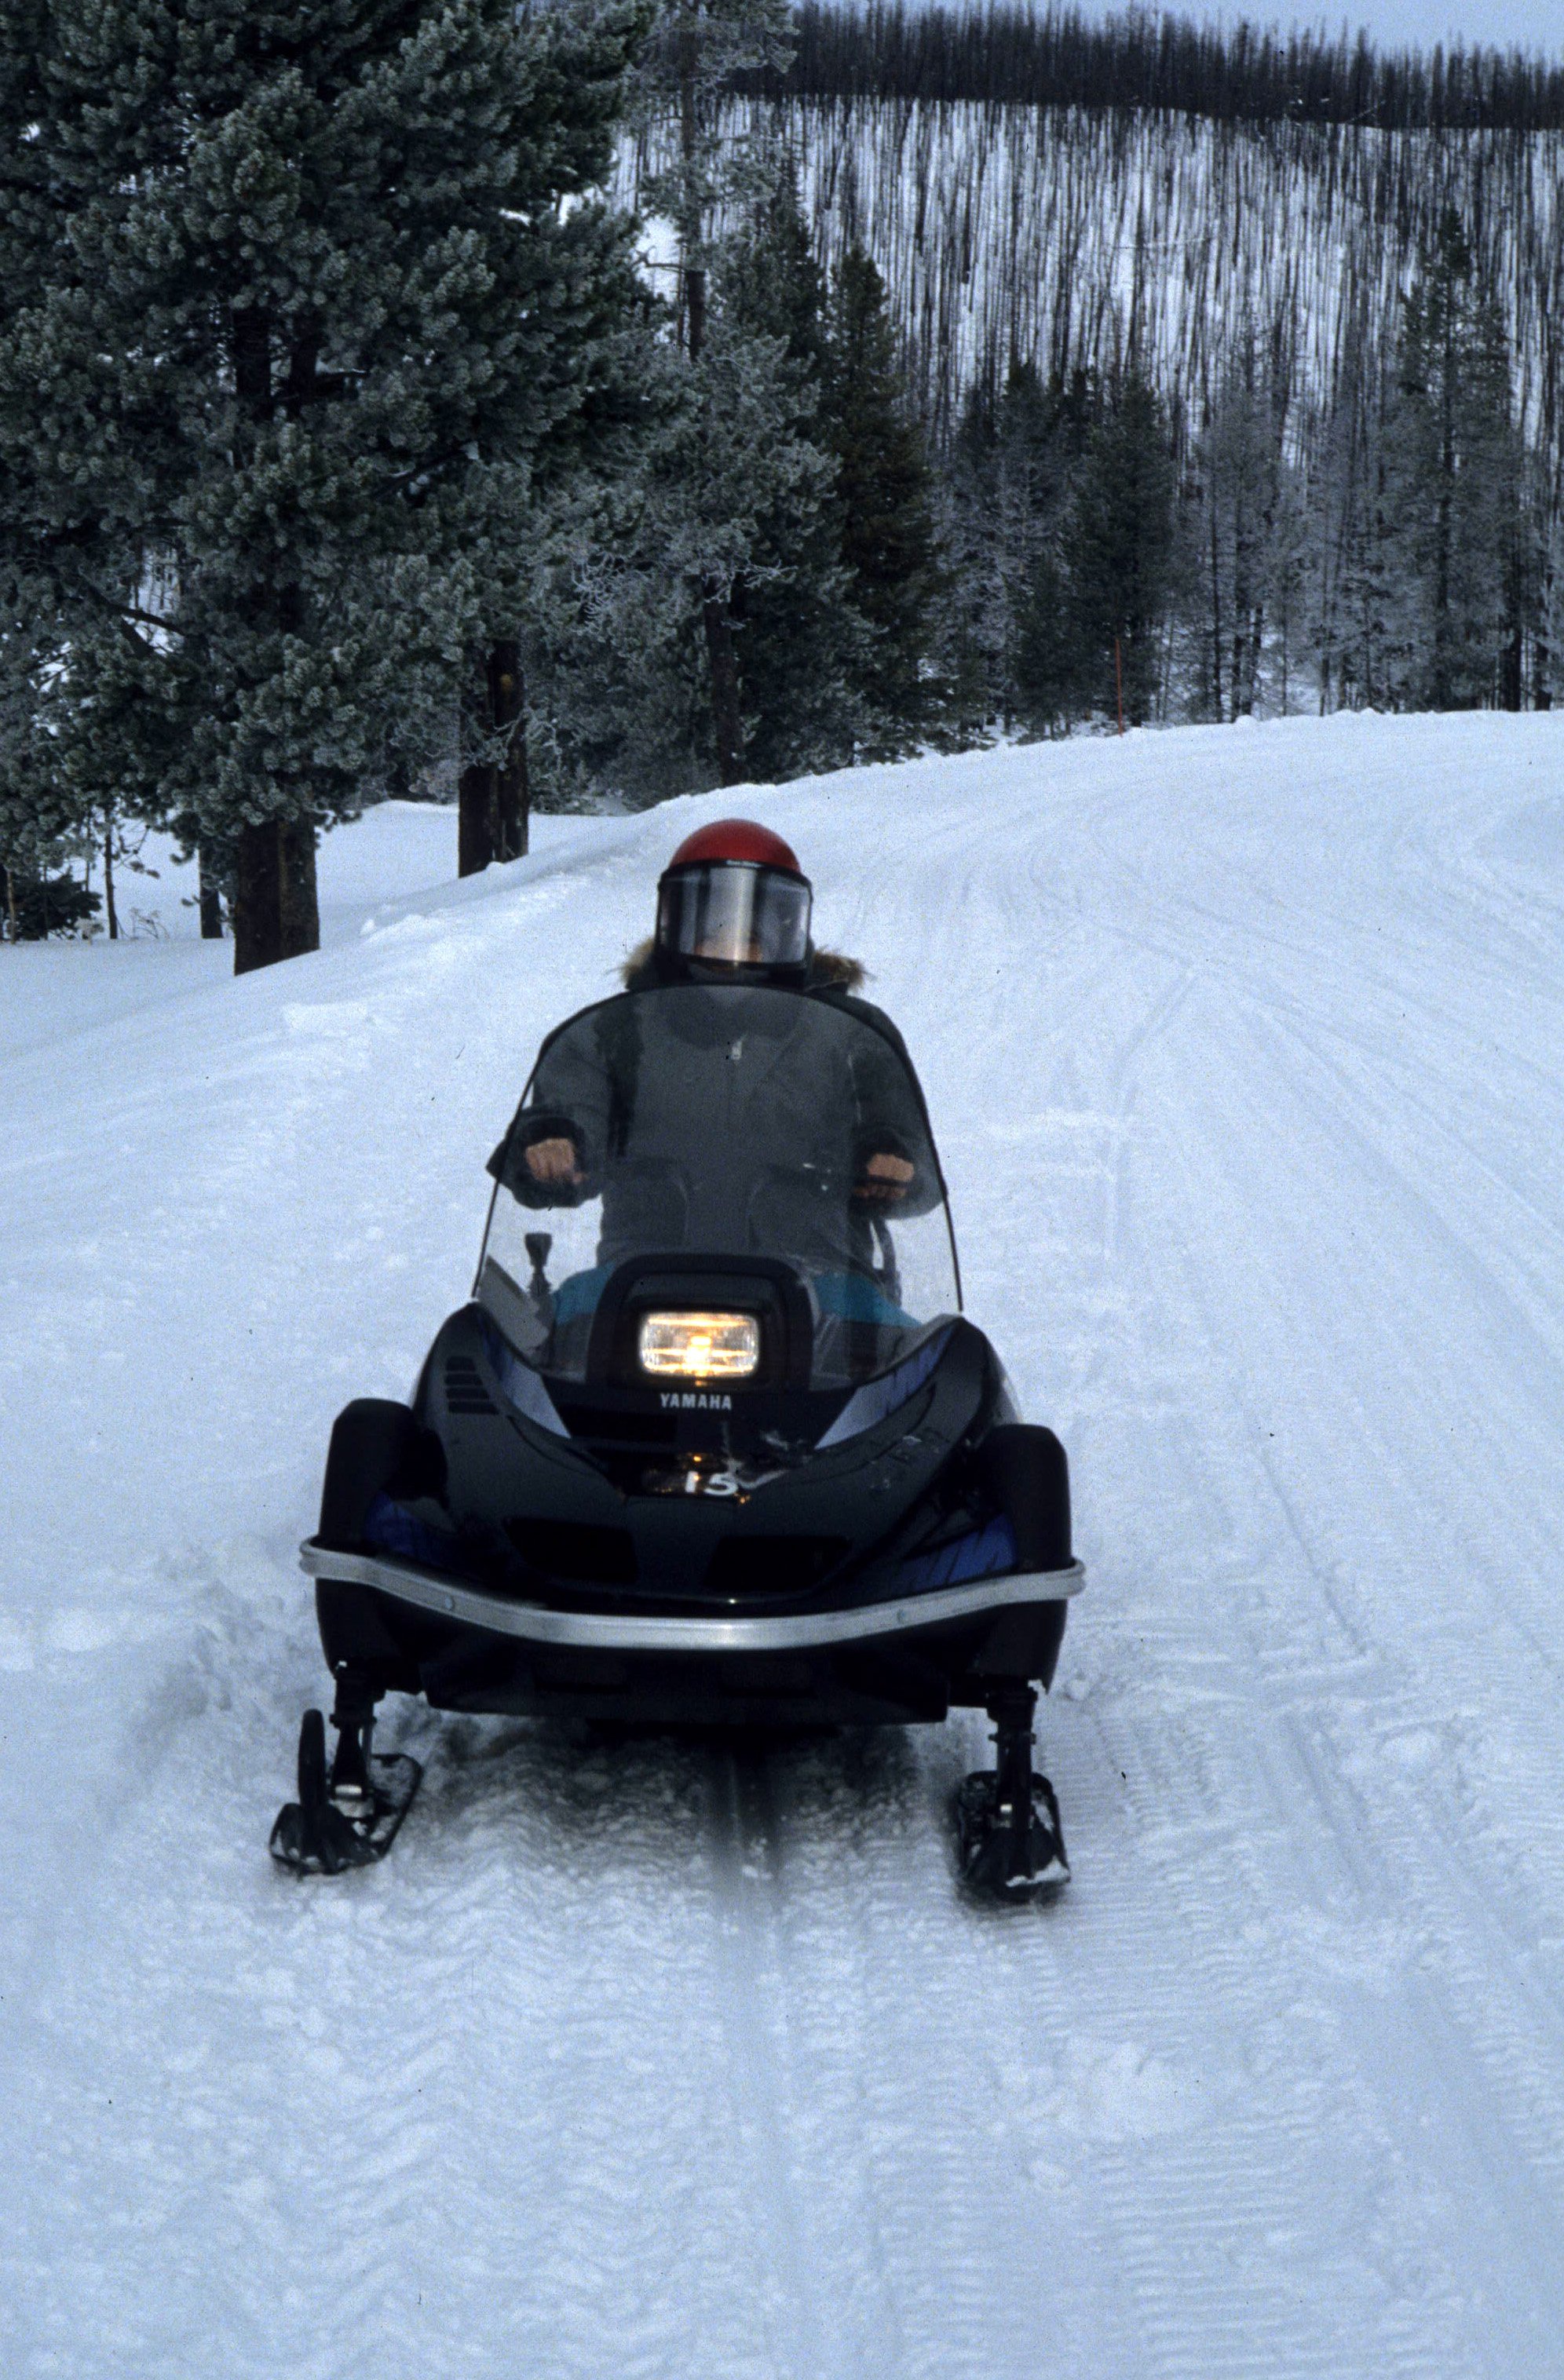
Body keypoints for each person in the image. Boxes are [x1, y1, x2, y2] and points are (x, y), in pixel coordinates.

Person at [490, 821, 942, 1289]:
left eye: (751, 932)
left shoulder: (853, 1036)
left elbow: (915, 1156)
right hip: (642, 1276)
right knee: (550, 1332)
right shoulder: (615, 1030)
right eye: (712, 929)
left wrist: (893, 1159)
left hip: (822, 1280)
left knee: (937, 1355)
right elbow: (571, 1105)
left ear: (786, 927)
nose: (730, 948)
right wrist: (554, 1141)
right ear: (675, 922)